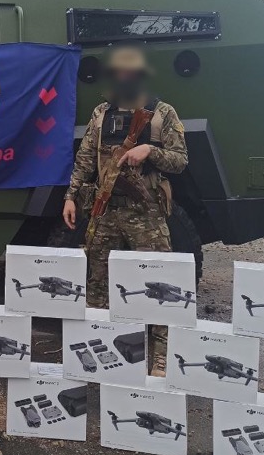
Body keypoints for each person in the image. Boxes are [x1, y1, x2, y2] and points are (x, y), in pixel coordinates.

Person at [61, 46, 188, 373]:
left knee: (158, 284)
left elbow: (180, 161)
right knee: (97, 286)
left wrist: (149, 151)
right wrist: (71, 196)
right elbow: (85, 158)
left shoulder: (162, 113)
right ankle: (98, 352)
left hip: (146, 214)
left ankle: (160, 357)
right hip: (105, 212)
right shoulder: (101, 113)